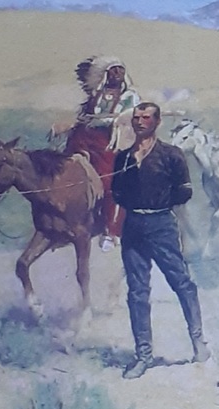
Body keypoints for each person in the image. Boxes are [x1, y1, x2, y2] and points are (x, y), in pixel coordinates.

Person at [110, 102, 205, 377]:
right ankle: (143, 356)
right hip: (133, 226)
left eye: (146, 118)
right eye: (136, 118)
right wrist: (136, 203)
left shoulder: (172, 155)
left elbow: (184, 192)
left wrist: (159, 202)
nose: (140, 122)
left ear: (157, 122)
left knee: (181, 282)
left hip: (161, 224)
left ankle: (198, 341)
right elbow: (116, 193)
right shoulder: (123, 158)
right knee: (137, 292)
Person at [65, 55, 135, 241]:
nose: (117, 73)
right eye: (113, 70)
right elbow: (85, 118)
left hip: (111, 142)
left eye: (120, 69)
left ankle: (110, 229)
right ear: (105, 74)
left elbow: (129, 118)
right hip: (87, 140)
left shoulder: (130, 97)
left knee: (108, 181)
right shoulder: (96, 96)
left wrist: (102, 120)